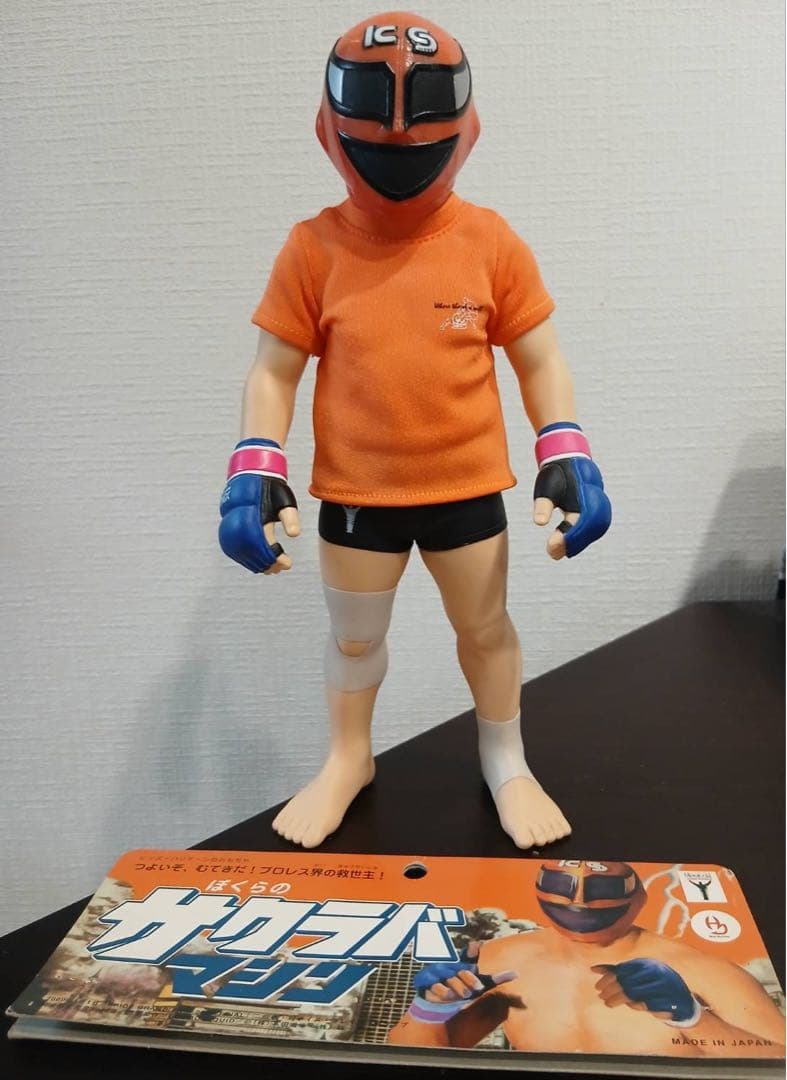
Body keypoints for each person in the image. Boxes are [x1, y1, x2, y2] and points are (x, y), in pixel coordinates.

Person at [218, 12, 611, 850]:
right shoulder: (312, 249)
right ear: (326, 129)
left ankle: (504, 756)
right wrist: (253, 464)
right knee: (354, 637)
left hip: (466, 490)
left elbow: (539, 357)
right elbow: (273, 371)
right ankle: (347, 757)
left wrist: (565, 447)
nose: (398, 140)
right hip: (356, 496)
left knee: (485, 630)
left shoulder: (489, 242)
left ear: (467, 128)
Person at [388, 860, 786, 1057]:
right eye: (562, 883)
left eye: (601, 886)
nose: (578, 899)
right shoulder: (503, 958)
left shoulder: (705, 971)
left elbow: (779, 1062)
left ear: (638, 896)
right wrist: (427, 1012)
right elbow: (418, 1056)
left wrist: (695, 1019)